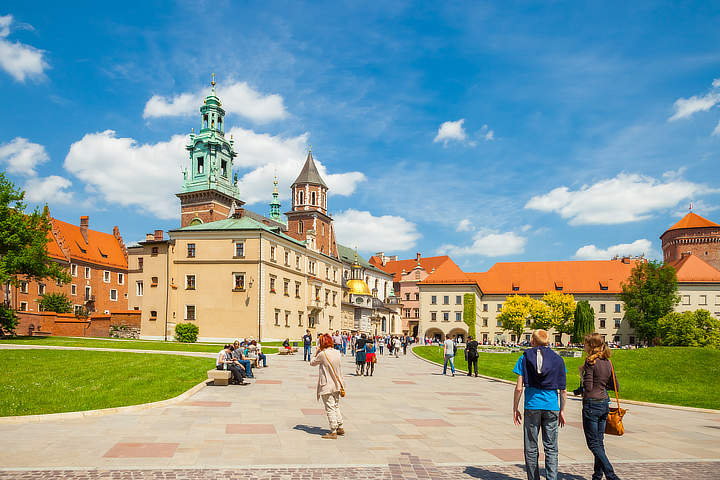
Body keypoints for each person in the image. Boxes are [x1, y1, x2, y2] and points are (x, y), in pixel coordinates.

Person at [512, 330, 567, 480]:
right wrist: (562, 410)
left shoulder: (524, 358)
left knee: (531, 447)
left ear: (533, 341)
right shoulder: (558, 359)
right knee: (551, 448)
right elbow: (563, 390)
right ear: (548, 342)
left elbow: (518, 388)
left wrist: (515, 408)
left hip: (532, 405)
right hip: (552, 406)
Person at [581, 333, 621, 480]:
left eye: (586, 344)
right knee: (599, 441)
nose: (584, 347)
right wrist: (602, 384)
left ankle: (611, 474)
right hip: (604, 403)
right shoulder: (607, 362)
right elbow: (615, 385)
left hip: (592, 404)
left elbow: (589, 387)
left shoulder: (590, 362)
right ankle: (597, 475)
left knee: (593, 443)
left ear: (591, 346)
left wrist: (583, 375)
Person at [310, 333, 345, 439]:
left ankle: (333, 430)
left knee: (330, 407)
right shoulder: (337, 352)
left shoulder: (323, 354)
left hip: (327, 385)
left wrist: (316, 351)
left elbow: (312, 363)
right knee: (336, 406)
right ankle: (340, 426)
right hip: (337, 384)